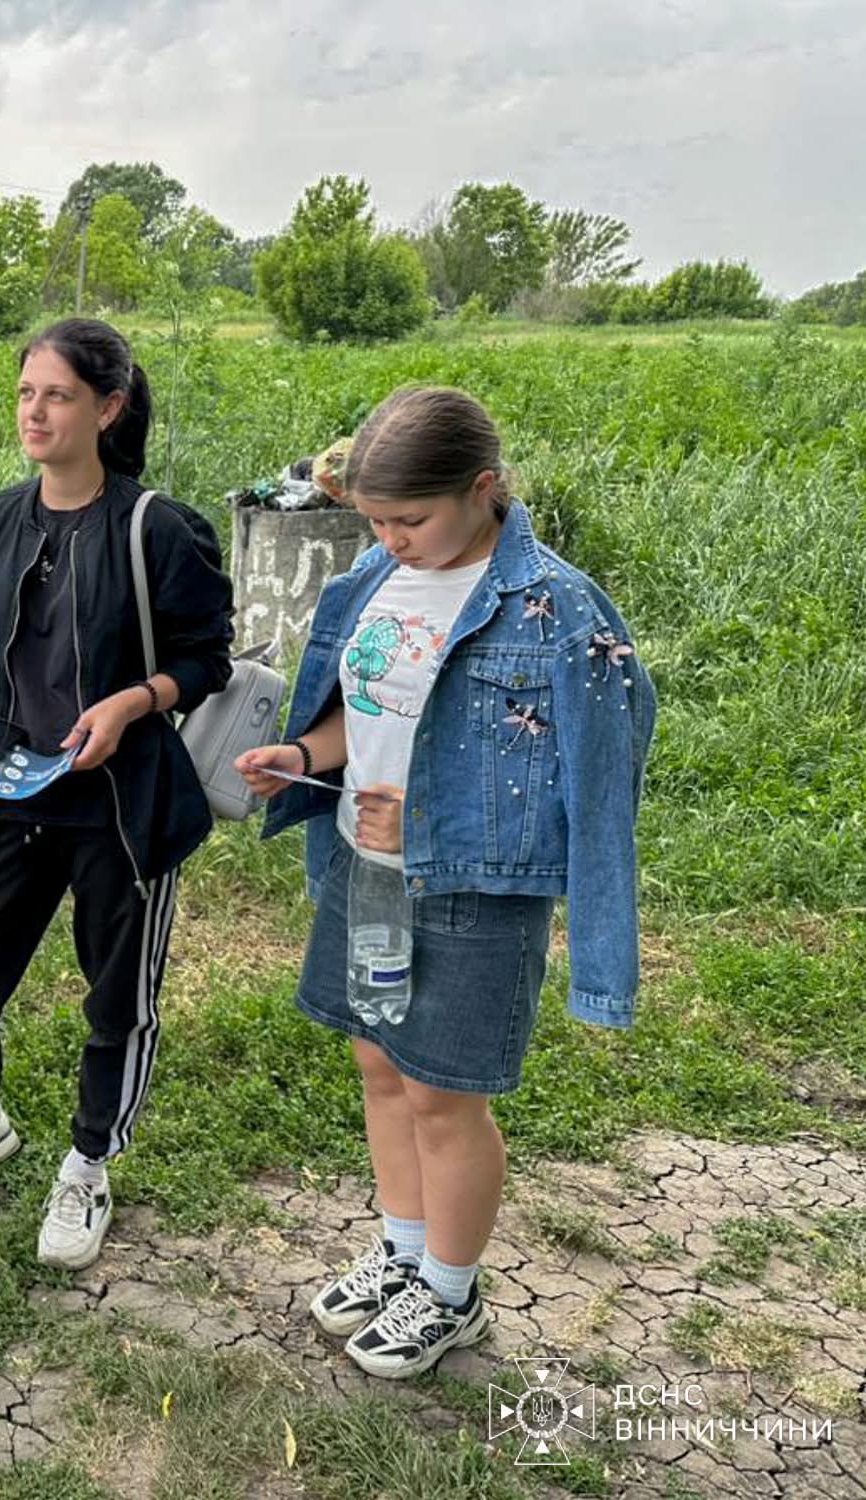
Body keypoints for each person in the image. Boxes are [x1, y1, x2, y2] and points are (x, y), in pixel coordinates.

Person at [236, 386, 655, 1380]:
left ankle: (450, 1294)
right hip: (361, 866)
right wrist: (301, 752)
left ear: (482, 488)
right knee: (379, 1068)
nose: (389, 538)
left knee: (441, 1095)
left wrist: (426, 807)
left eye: (409, 519)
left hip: (469, 891)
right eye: (374, 520)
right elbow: (359, 711)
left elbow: (600, 768)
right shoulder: (375, 579)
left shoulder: (555, 609)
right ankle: (402, 1252)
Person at [0, 318, 234, 1271]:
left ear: (108, 406)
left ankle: (89, 1165)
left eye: (56, 395)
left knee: (117, 1000)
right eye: (25, 393)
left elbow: (204, 660)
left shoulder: (159, 531)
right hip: (12, 791)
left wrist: (134, 703)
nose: (35, 411)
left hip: (121, 807)